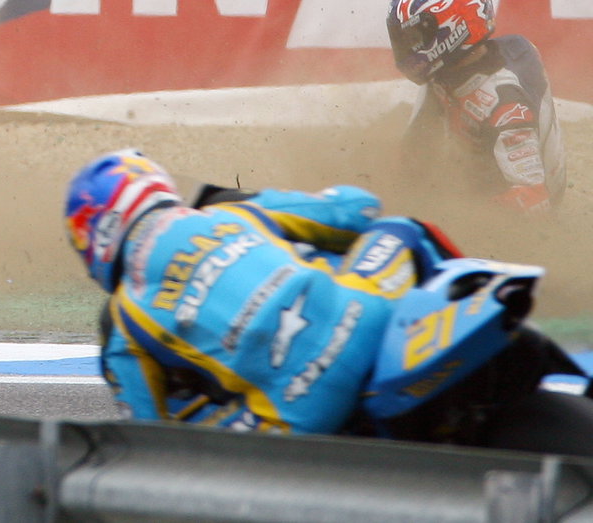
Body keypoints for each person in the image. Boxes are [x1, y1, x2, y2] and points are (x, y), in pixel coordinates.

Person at [64, 149, 458, 435]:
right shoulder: (235, 211)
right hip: (369, 317)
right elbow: (360, 209)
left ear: (99, 231)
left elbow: (148, 439)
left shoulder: (122, 320)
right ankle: (458, 312)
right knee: (402, 228)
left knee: (183, 454)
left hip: (296, 411)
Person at [386, 0, 564, 213]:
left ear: (453, 27)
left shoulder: (506, 102)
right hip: (468, 171)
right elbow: (414, 153)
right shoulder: (447, 68)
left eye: (415, 37)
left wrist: (454, 215)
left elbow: (536, 198)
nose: (409, 48)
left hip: (503, 210)